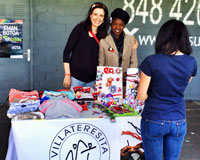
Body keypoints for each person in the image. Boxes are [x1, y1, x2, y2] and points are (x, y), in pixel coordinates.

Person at [137, 19, 197, 160]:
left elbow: (141, 96)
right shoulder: (191, 62)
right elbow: (182, 85)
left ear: (163, 37)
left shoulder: (151, 61)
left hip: (154, 118)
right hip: (178, 120)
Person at [63, 2, 109, 89]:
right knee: (75, 103)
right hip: (76, 79)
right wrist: (67, 74)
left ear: (104, 18)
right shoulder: (79, 29)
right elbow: (66, 52)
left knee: (92, 103)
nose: (97, 18)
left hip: (93, 81)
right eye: (95, 14)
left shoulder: (103, 35)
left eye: (101, 15)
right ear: (90, 14)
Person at [98, 8, 138, 77]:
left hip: (125, 81)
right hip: (108, 80)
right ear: (111, 24)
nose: (117, 27)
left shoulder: (130, 41)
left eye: (121, 25)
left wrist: (130, 78)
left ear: (124, 26)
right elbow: (101, 63)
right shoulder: (103, 41)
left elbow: (133, 62)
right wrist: (100, 80)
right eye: (115, 24)